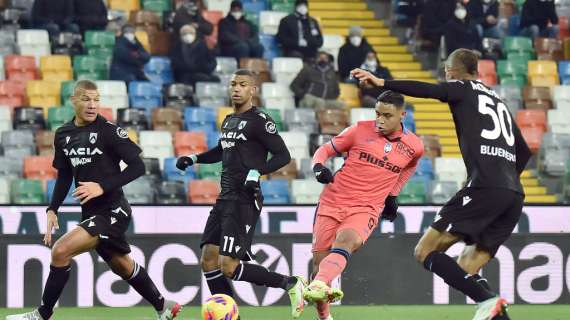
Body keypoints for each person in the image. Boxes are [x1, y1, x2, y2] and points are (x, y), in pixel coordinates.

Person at [351, 48, 532, 320]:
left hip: (485, 187)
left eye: (447, 70)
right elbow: (525, 152)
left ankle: (489, 300)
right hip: (514, 195)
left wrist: (382, 83)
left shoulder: (463, 88)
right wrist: (502, 181)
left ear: (452, 71)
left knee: (425, 251)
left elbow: (428, 90)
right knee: (465, 269)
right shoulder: (500, 102)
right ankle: (496, 311)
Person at [5, 80, 181, 320]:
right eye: (86, 99)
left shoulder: (108, 131)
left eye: (96, 99)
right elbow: (65, 174)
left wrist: (102, 186)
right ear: (73, 100)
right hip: (91, 213)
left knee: (60, 251)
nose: (92, 105)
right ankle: (164, 306)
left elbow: (138, 166)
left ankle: (42, 314)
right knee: (122, 265)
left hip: (113, 210)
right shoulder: (64, 135)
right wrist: (52, 208)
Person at [175, 69, 307, 319]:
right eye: (233, 84)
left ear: (252, 90)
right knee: (208, 258)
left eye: (242, 84)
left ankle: (291, 284)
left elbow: (283, 156)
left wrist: (257, 172)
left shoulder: (260, 120)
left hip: (244, 199)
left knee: (228, 266)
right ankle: (230, 315)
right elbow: (221, 149)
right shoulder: (228, 120)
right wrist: (193, 158)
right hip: (225, 197)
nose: (236, 88)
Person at [304, 90, 424, 320]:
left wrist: (392, 195)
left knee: (346, 241)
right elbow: (324, 150)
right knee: (319, 267)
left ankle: (319, 283)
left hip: (366, 207)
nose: (380, 119)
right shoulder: (359, 130)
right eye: (377, 113)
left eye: (387, 115)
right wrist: (318, 167)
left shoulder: (414, 147)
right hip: (332, 201)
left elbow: (408, 168)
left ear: (402, 115)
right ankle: (324, 316)